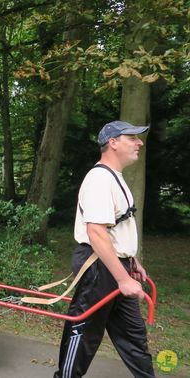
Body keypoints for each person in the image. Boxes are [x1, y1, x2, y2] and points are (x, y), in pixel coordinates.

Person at [54, 121, 154, 378]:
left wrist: (131, 262)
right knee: (84, 334)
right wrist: (122, 278)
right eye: (132, 138)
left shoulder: (114, 178)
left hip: (116, 266)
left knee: (134, 336)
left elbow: (116, 228)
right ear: (113, 142)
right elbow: (96, 233)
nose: (139, 143)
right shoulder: (99, 179)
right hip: (99, 267)